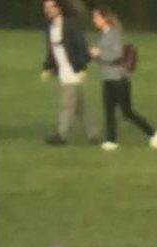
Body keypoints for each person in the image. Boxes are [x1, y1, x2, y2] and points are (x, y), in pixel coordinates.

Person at [92, 10, 157, 150]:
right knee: (109, 110)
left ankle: (155, 134)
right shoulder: (104, 35)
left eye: (96, 17)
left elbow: (116, 54)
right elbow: (104, 58)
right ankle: (111, 141)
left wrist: (99, 53)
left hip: (119, 79)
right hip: (108, 78)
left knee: (127, 112)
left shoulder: (114, 34)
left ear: (104, 19)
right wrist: (94, 55)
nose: (94, 20)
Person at [40, 0, 91, 146]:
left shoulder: (71, 24)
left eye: (51, 7)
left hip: (74, 70)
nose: (48, 10)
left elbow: (81, 46)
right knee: (80, 108)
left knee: (67, 104)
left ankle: (61, 136)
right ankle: (94, 134)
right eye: (46, 7)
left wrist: (83, 68)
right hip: (63, 71)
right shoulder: (50, 26)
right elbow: (51, 51)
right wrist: (47, 68)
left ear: (59, 7)